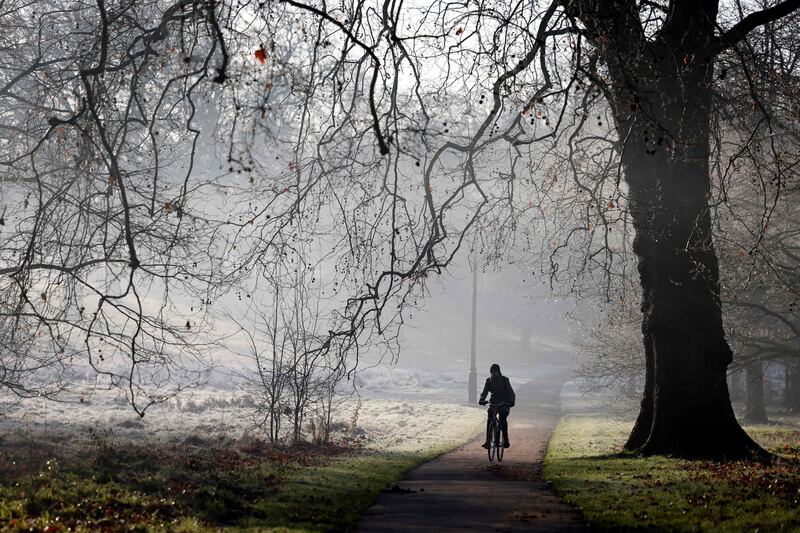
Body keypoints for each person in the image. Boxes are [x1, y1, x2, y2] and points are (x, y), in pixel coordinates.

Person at [478, 363, 515, 448]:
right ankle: (488, 441)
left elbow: (510, 392)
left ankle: (505, 440)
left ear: (499, 372)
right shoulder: (488, 381)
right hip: (493, 402)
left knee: (502, 418)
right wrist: (481, 399)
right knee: (490, 417)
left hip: (504, 402)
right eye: (492, 373)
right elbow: (485, 392)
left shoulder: (505, 380)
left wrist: (511, 401)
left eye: (495, 372)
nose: (493, 374)